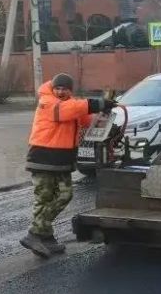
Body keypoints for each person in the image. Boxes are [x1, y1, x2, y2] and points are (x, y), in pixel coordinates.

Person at [20, 73, 115, 258]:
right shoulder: (47, 102)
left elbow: (87, 120)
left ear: (70, 90)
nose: (61, 91)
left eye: (65, 89)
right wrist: (96, 103)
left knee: (64, 195)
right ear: (53, 88)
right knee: (44, 198)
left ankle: (44, 236)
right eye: (58, 88)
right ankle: (36, 234)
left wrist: (105, 114)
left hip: (62, 160)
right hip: (43, 158)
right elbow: (65, 111)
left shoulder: (71, 104)